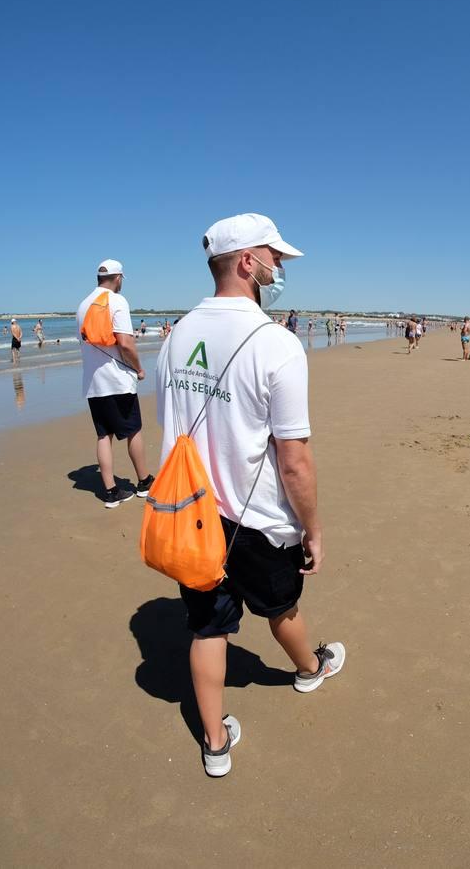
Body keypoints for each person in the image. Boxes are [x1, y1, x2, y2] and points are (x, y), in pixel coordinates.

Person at [159, 212, 345, 778]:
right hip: (257, 517)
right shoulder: (277, 343)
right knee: (281, 605)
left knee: (207, 626)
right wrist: (312, 528)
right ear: (247, 262)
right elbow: (294, 457)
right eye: (275, 256)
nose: (281, 265)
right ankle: (309, 669)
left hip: (191, 514)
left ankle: (215, 743)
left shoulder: (177, 334)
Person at [77, 259, 151, 507]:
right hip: (118, 381)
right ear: (118, 278)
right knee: (133, 431)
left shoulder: (82, 306)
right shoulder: (117, 301)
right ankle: (144, 482)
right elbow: (126, 343)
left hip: (93, 383)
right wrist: (138, 369)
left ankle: (110, 492)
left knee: (103, 435)